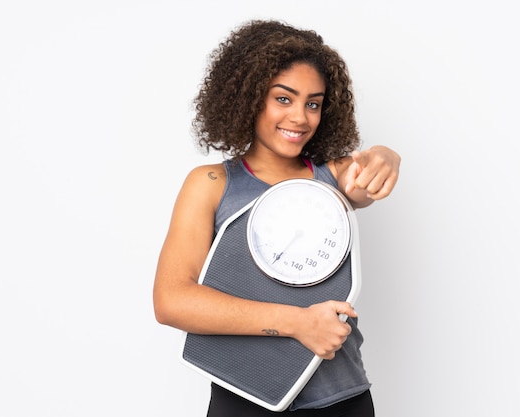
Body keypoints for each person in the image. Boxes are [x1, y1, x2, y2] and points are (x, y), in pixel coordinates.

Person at [153, 19, 401, 416]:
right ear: (248, 97)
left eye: (313, 103)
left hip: (343, 398)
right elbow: (172, 301)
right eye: (283, 99)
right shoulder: (212, 183)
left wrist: (386, 156)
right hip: (245, 398)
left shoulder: (332, 178)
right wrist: (297, 323)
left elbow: (366, 177)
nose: (300, 118)